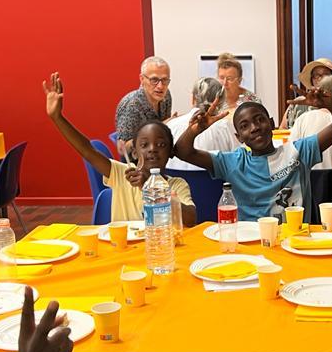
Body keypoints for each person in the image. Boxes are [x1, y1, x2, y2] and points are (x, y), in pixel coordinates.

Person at [175, 89, 332, 221]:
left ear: (272, 123)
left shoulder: (299, 152)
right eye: (244, 126)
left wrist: (330, 104)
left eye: (260, 119)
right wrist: (195, 130)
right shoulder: (232, 162)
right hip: (251, 242)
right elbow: (183, 151)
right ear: (239, 137)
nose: (254, 128)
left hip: (293, 239)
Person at [44, 72, 196, 226]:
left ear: (170, 152)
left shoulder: (177, 185)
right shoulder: (123, 174)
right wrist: (58, 118)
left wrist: (152, 189)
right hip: (123, 241)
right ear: (134, 152)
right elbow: (87, 151)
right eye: (144, 145)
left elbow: (191, 219)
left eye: (161, 145)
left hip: (161, 241)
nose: (152, 149)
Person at [165, 77, 239, 171]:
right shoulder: (225, 127)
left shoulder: (171, 125)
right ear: (220, 102)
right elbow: (238, 162)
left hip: (172, 180)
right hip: (214, 181)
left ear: (193, 98)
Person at [114, 55, 174, 160]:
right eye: (154, 80)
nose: (160, 86)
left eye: (165, 80)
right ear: (142, 79)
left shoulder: (166, 95)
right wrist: (157, 128)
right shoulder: (132, 105)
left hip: (157, 156)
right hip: (136, 163)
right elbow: (122, 149)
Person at [282, 58, 332, 128]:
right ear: (312, 80)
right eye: (316, 75)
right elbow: (282, 129)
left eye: (325, 75)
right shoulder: (298, 103)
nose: (320, 79)